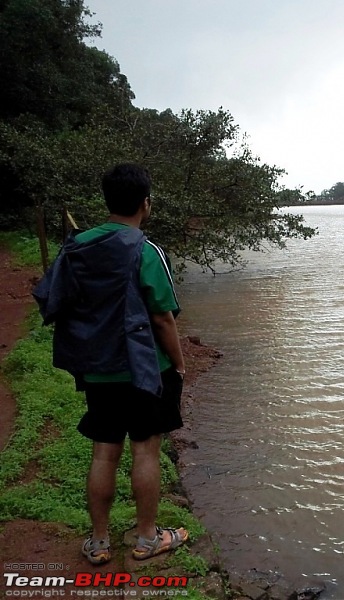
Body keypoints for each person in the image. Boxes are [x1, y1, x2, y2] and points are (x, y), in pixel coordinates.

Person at [33, 163, 189, 565]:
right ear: (146, 204)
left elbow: (53, 298)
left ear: (107, 201)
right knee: (146, 451)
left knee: (104, 453)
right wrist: (179, 364)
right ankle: (148, 538)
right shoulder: (144, 250)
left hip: (96, 367)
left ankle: (99, 541)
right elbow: (162, 317)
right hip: (142, 369)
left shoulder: (77, 246)